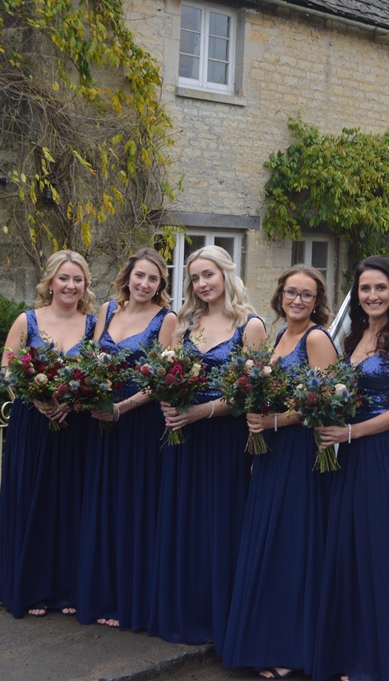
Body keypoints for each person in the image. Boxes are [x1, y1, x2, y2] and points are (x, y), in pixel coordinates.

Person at [222, 265, 338, 679]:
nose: (297, 300)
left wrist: (275, 422)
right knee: (269, 545)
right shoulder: (278, 337)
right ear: (280, 295)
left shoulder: (317, 338)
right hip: (271, 455)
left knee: (292, 546)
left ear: (317, 301)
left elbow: (324, 403)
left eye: (307, 295)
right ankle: (265, 639)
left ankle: (292, 649)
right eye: (292, 292)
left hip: (299, 455)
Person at [149, 245, 268, 646]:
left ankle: (220, 619)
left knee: (219, 520)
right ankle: (183, 611)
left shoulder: (250, 326)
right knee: (184, 519)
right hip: (182, 438)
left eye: (208, 275)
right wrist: (168, 399)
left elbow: (252, 394)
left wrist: (202, 412)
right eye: (195, 278)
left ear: (226, 274)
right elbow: (162, 373)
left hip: (223, 439)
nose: (202, 284)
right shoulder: (184, 324)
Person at [313, 255, 389, 681]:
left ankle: (380, 664)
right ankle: (351, 657)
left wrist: (352, 434)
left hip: (379, 455)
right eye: (364, 289)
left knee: (378, 556)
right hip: (349, 456)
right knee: (349, 553)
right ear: (356, 296)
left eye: (379, 287)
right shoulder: (353, 335)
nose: (372, 295)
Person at [75, 248, 177, 630]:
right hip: (101, 423)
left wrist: (123, 408)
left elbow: (163, 379)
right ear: (127, 276)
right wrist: (90, 394)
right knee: (103, 505)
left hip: (140, 425)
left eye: (153, 279)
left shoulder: (166, 319)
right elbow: (91, 360)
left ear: (160, 285)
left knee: (134, 508)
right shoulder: (106, 311)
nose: (144, 284)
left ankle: (129, 600)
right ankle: (100, 593)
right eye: (140, 276)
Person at [0, 249, 98, 619]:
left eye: (77, 279)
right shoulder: (28, 320)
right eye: (64, 278)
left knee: (71, 504)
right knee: (32, 500)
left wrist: (77, 398)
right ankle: (30, 588)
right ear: (50, 282)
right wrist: (33, 395)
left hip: (77, 426)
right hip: (34, 423)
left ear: (85, 284)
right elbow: (7, 367)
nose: (70, 285)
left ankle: (68, 588)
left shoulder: (93, 324)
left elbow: (98, 372)